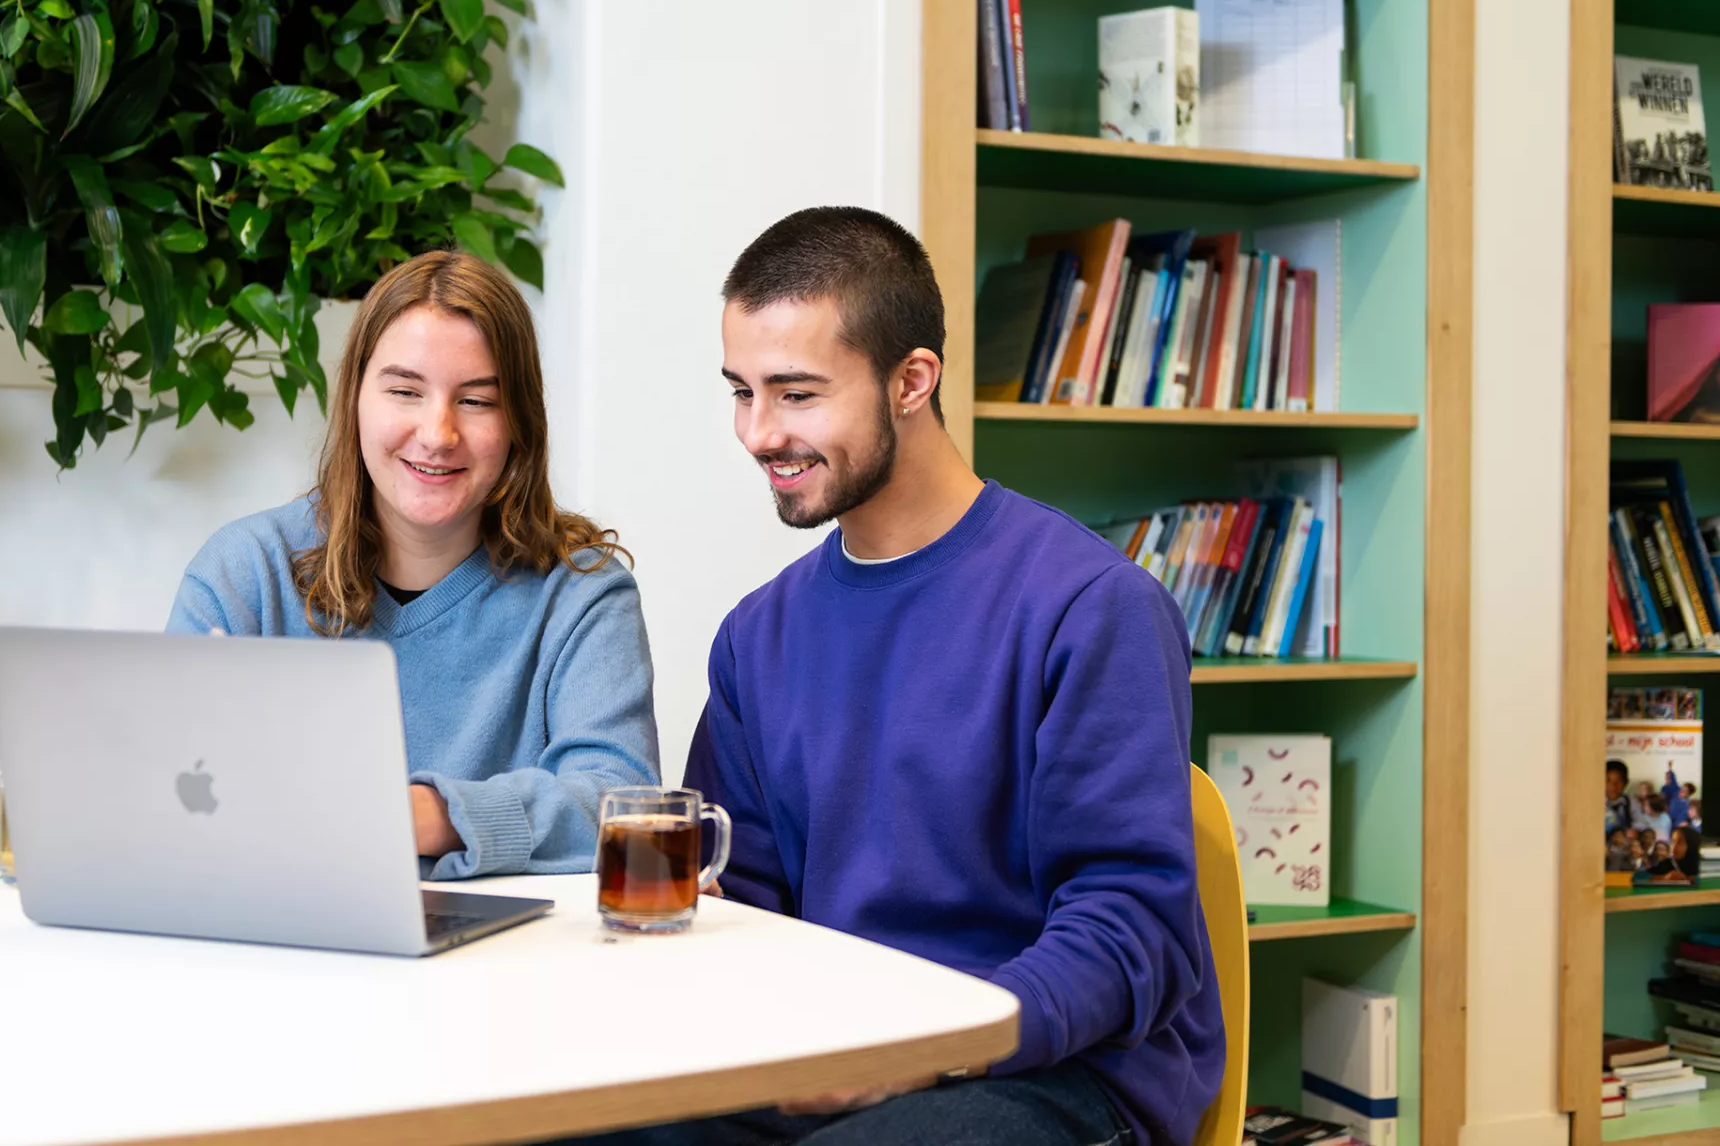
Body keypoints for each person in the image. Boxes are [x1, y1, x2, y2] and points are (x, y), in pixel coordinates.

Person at [588, 207, 1221, 1146]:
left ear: (911, 380)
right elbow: (750, 895)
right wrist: (712, 930)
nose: (758, 434)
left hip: (1051, 1074)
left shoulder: (1092, 608)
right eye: (741, 391)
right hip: (833, 1059)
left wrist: (919, 1047)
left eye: (796, 395)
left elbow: (1137, 934)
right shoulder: (758, 636)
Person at [166, 250, 660, 878]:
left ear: (519, 423)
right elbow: (170, 800)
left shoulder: (583, 594)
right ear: (355, 401)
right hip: (282, 945)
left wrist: (426, 815)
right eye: (404, 391)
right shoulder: (244, 573)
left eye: (477, 401)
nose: (437, 433)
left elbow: (623, 806)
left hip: (511, 964)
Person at [1608, 761, 1635, 835]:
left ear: (1626, 783)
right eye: (1608, 781)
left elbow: (1640, 823)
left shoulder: (1630, 802)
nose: (1613, 786)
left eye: (1618, 781)